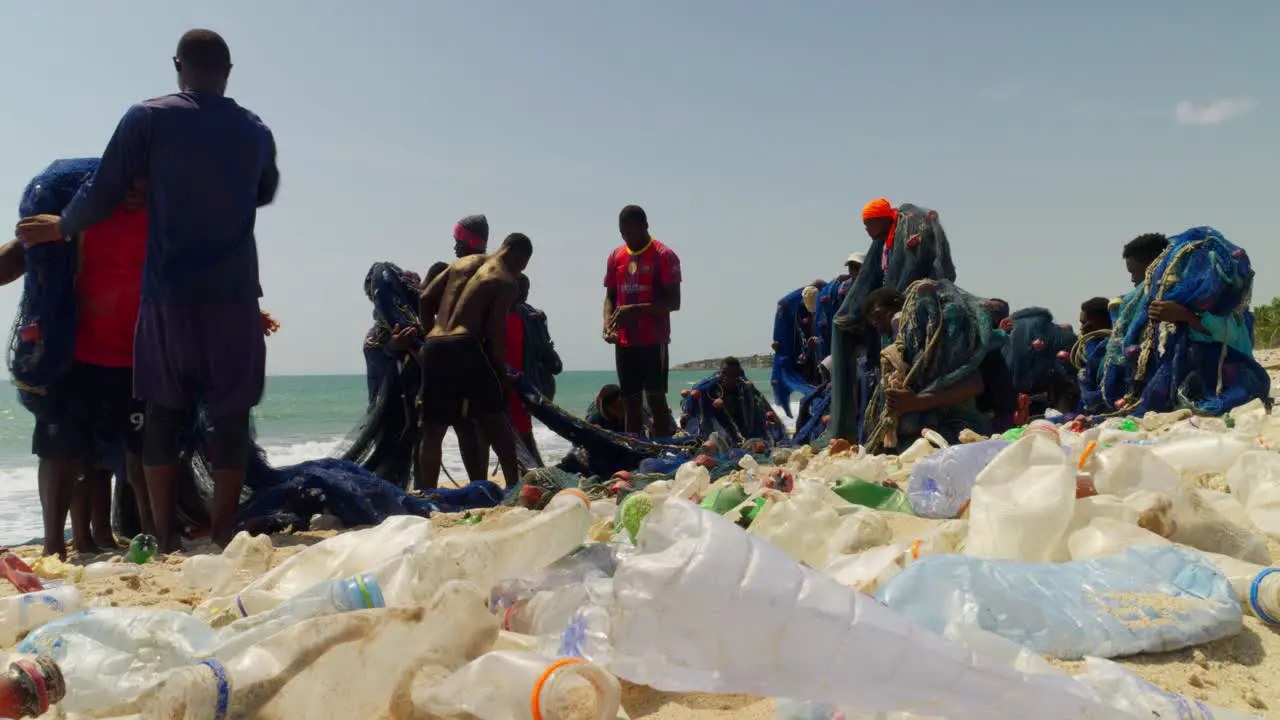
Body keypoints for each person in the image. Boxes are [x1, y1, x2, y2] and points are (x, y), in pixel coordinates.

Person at [17, 30, 281, 552]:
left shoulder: (148, 117)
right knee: (230, 415)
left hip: (168, 296)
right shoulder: (255, 130)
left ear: (178, 65)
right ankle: (224, 531)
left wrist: (60, 228)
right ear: (228, 71)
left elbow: (102, 191)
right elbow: (264, 191)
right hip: (234, 295)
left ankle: (161, 537)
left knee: (162, 412)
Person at [2, 180, 150, 557]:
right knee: (62, 451)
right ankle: (56, 545)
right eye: (127, 181)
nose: (133, 188)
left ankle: (124, 536)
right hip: (74, 356)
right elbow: (18, 255)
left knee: (118, 455)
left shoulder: (163, 219)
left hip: (134, 356)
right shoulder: (75, 220)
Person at [417, 233, 533, 491]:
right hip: (466, 345)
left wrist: (430, 336)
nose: (520, 270)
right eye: (522, 265)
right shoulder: (505, 280)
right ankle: (513, 487)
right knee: (496, 419)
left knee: (433, 430)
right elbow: (495, 332)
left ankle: (427, 494)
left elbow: (425, 299)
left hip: (435, 345)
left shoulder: (461, 263)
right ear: (518, 256)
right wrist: (500, 373)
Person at [603, 205, 681, 437]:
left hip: (653, 339)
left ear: (645, 226)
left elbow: (674, 302)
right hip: (625, 341)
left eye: (632, 232)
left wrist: (637, 309)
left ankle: (665, 449)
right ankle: (634, 451)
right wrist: (608, 325)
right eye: (624, 234)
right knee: (630, 402)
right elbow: (610, 297)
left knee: (656, 399)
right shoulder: (616, 256)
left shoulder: (664, 255)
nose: (629, 238)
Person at [504, 275, 542, 466]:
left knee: (525, 431)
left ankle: (536, 471)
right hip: (502, 381)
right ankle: (531, 472)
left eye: (526, 290)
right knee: (503, 435)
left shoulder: (525, 315)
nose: (524, 295)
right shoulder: (497, 314)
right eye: (520, 290)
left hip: (522, 382)